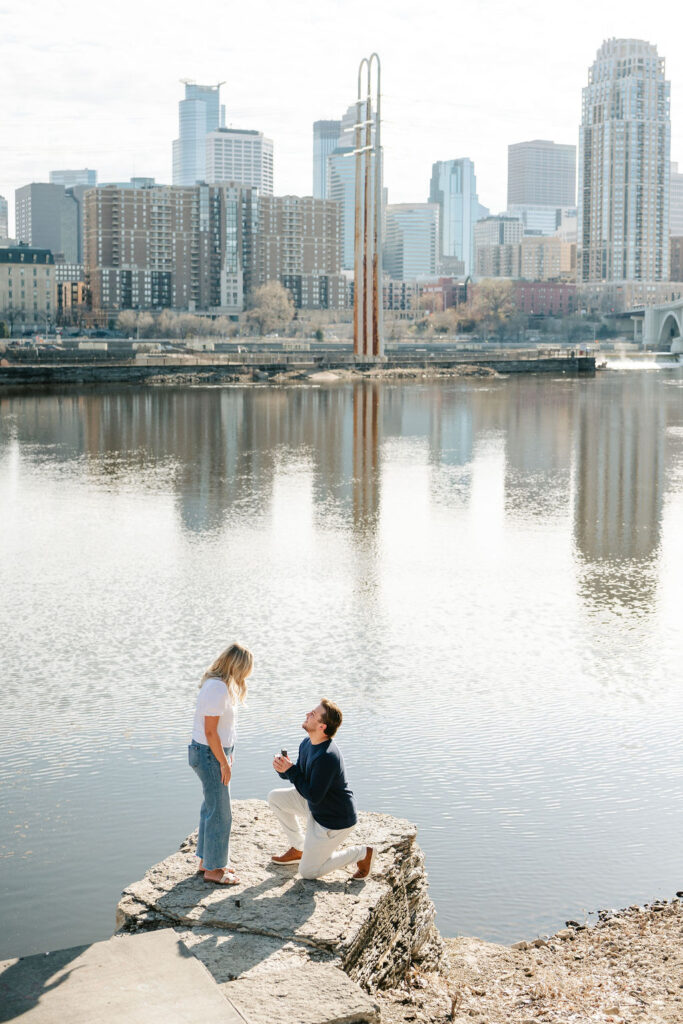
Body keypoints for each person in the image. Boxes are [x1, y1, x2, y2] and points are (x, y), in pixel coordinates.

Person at [268, 698, 374, 880]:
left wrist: (291, 770)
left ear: (322, 727)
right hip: (315, 806)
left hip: (333, 820)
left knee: (308, 872)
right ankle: (299, 847)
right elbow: (300, 776)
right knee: (275, 798)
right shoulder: (307, 743)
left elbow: (314, 795)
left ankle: (362, 853)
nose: (307, 715)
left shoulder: (327, 757)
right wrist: (284, 769)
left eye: (313, 714)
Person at [188, 643, 253, 885]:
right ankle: (214, 871)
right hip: (209, 754)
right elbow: (210, 732)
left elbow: (222, 730)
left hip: (210, 752)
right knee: (221, 814)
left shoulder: (217, 684)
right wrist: (223, 763)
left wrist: (229, 753)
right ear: (238, 666)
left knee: (212, 807)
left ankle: (208, 861)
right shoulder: (216, 689)